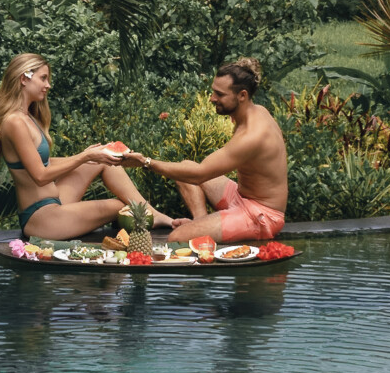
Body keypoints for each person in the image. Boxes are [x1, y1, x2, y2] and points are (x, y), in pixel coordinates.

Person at [0, 53, 177, 240]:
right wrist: (84, 157)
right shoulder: (15, 122)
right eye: (43, 78)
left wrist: (90, 156)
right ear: (24, 79)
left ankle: (153, 214)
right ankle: (147, 217)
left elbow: (44, 162)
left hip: (55, 202)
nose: (48, 85)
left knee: (102, 161)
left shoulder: (28, 117)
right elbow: (40, 176)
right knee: (121, 206)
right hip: (41, 218)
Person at [121, 58, 287, 243]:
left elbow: (199, 175)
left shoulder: (252, 136)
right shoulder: (255, 110)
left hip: (261, 214)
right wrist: (201, 224)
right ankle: (200, 221)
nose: (212, 98)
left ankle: (199, 229)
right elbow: (194, 173)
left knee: (177, 238)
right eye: (213, 91)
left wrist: (145, 162)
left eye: (219, 94)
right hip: (240, 196)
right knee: (185, 167)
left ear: (242, 95)